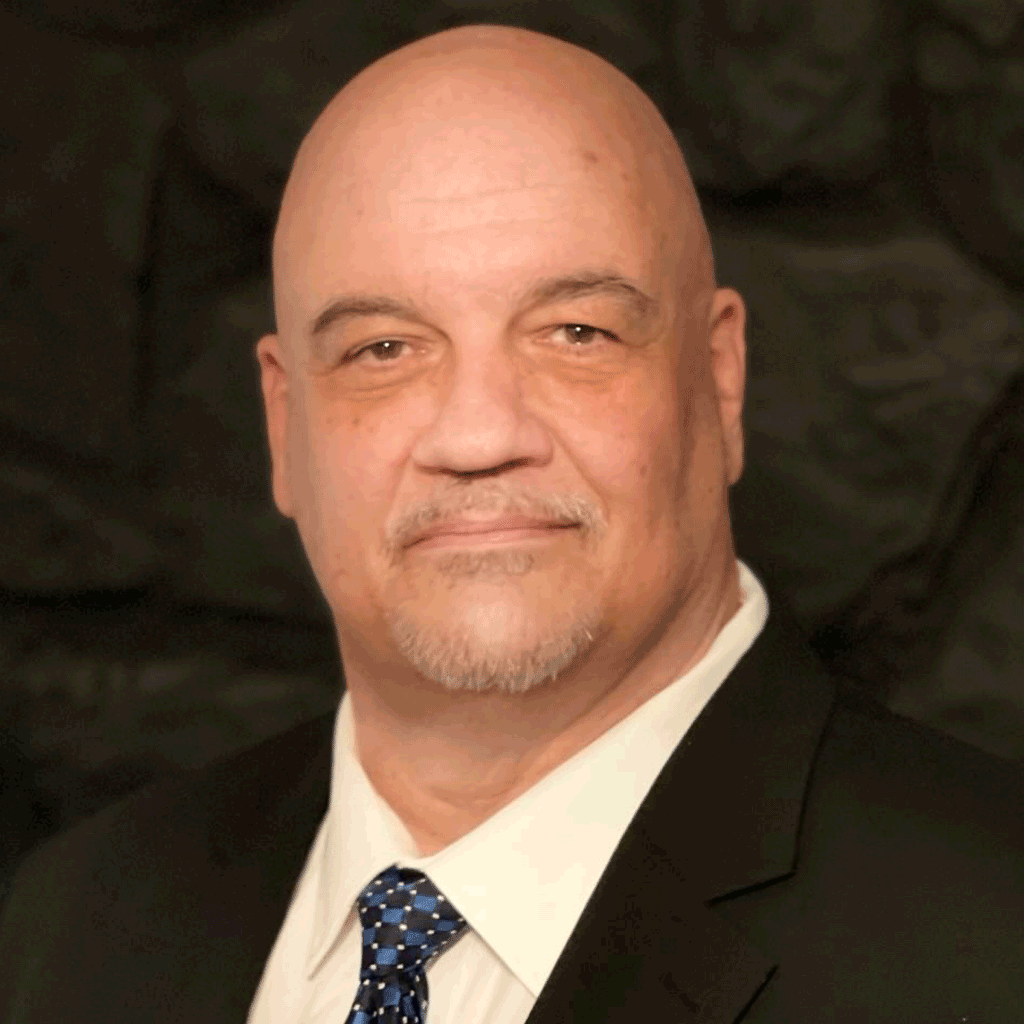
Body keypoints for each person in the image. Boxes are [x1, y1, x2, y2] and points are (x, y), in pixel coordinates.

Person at [2, 23, 1022, 1024]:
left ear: (718, 382)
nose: (479, 433)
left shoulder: (990, 939)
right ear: (283, 425)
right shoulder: (72, 924)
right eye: (382, 348)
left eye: (575, 332)